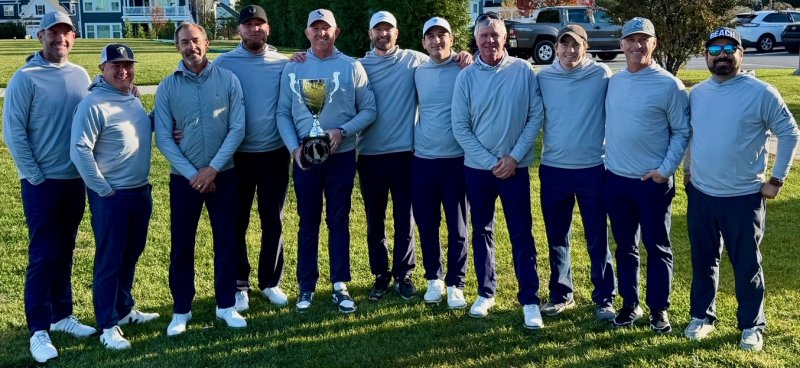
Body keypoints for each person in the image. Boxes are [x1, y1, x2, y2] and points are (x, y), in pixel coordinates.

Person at [683, 27, 799, 352]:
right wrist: (689, 173)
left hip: (743, 198)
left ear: (740, 54)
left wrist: (776, 180)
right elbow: (690, 136)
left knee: (746, 264)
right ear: (706, 55)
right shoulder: (698, 94)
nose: (722, 54)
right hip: (702, 196)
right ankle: (702, 317)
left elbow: (789, 133)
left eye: (729, 48)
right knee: (704, 260)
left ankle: (751, 325)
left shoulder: (761, 92)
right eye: (715, 48)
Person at [2, 11, 96, 363]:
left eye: (66, 33)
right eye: (53, 33)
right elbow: (13, 133)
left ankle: (62, 315)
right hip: (42, 184)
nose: (61, 39)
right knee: (43, 254)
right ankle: (39, 329)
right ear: (40, 36)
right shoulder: (25, 78)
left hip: (75, 181)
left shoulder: (81, 74)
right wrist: (35, 176)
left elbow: (94, 115)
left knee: (67, 249)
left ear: (74, 37)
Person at [276, 9, 377, 314]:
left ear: (337, 32)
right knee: (308, 222)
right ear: (307, 33)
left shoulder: (351, 66)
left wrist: (342, 131)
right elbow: (282, 112)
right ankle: (306, 286)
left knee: (338, 220)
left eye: (326, 28)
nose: (321, 33)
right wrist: (295, 150)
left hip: (341, 156)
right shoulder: (293, 68)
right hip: (305, 158)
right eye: (315, 28)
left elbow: (369, 110)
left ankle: (340, 284)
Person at [451, 12, 544, 329]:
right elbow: (460, 128)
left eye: (495, 34)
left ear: (506, 38)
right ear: (475, 39)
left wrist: (513, 157)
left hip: (515, 169)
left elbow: (535, 116)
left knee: (522, 233)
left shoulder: (523, 70)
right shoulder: (465, 77)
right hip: (478, 171)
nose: (490, 40)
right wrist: (493, 162)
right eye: (483, 35)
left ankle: (530, 299)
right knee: (482, 231)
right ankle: (486, 292)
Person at [154, 22, 246, 336]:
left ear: (206, 42)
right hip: (184, 180)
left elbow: (237, 128)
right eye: (183, 42)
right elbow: (164, 138)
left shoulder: (228, 80)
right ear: (177, 46)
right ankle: (181, 309)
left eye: (195, 40)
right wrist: (195, 174)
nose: (190, 47)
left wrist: (213, 169)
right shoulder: (167, 86)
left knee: (227, 240)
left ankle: (226, 305)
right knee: (182, 245)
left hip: (224, 175)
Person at [70, 43, 160, 350]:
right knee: (110, 260)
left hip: (139, 191)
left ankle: (123, 310)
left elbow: (137, 129)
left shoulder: (130, 97)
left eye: (128, 64)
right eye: (115, 66)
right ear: (102, 70)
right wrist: (102, 188)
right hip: (112, 195)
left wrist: (159, 120)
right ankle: (107, 325)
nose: (123, 71)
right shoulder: (93, 104)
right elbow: (79, 150)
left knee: (130, 255)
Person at [604, 17, 690, 332]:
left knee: (657, 246)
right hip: (616, 180)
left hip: (652, 183)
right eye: (631, 40)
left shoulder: (669, 84)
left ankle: (659, 309)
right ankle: (629, 304)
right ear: (622, 44)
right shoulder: (613, 81)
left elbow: (682, 132)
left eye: (644, 40)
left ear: (654, 44)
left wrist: (665, 171)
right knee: (624, 246)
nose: (637, 46)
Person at [211, 5, 290, 312]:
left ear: (267, 29)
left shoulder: (283, 63)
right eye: (248, 24)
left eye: (260, 24)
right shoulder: (224, 62)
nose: (254, 29)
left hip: (274, 154)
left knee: (273, 220)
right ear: (239, 30)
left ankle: (271, 282)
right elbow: (198, 88)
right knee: (237, 221)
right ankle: (239, 284)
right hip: (237, 157)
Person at [536, 25, 616, 321]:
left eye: (576, 45)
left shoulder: (601, 75)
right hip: (554, 169)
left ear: (586, 46)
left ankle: (605, 298)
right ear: (556, 48)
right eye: (564, 44)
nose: (570, 50)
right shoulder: (543, 78)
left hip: (593, 168)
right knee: (557, 236)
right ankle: (561, 294)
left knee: (597, 235)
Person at [357, 10, 427, 301]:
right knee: (375, 219)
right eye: (378, 30)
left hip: (404, 155)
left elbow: (443, 58)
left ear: (396, 33)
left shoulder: (413, 60)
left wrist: (463, 55)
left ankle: (403, 274)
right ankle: (380, 274)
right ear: (370, 34)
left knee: (403, 218)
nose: (383, 34)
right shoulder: (358, 66)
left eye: (388, 29)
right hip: (370, 155)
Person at [413, 17, 469, 309]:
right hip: (422, 159)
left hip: (456, 160)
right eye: (431, 36)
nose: (437, 41)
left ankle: (456, 282)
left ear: (451, 39)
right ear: (424, 43)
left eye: (442, 35)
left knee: (457, 226)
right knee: (427, 222)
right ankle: (434, 278)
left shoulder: (464, 67)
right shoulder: (417, 71)